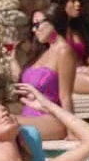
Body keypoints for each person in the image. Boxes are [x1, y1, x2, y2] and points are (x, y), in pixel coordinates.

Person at [11, 10, 79, 141]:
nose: (34, 29)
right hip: (29, 116)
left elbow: (65, 96)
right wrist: (12, 60)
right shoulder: (42, 52)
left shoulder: (64, 51)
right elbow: (22, 83)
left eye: (37, 24)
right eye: (33, 25)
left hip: (51, 119)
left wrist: (72, 131)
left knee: (2, 123)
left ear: (53, 22)